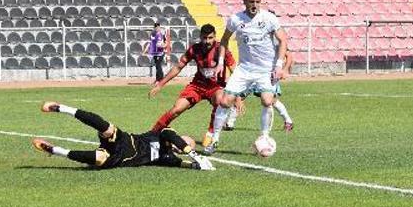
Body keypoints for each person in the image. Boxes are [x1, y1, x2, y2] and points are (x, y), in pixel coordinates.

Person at [205, 0, 288, 154]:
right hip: (244, 69)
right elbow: (224, 40)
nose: (255, 5)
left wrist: (279, 66)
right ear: (244, 1)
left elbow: (283, 40)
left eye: (258, 1)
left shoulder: (269, 19)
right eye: (251, 1)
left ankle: (264, 137)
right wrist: (220, 62)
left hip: (266, 69)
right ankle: (214, 140)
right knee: (225, 101)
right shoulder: (236, 19)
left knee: (267, 100)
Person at [31, 101, 214, 170]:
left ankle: (53, 150)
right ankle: (61, 108)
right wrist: (194, 153)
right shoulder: (165, 134)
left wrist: (197, 166)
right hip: (128, 141)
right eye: (182, 143)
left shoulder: (168, 157)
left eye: (180, 148)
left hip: (122, 159)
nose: (177, 147)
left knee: (100, 159)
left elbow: (181, 164)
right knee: (108, 129)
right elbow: (173, 136)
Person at [148, 24, 237, 138]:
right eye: (204, 38)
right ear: (200, 37)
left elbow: (234, 70)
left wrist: (237, 96)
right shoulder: (194, 49)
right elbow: (178, 67)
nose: (207, 41)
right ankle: (153, 132)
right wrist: (160, 84)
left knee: (219, 99)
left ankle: (210, 134)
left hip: (215, 87)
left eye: (210, 38)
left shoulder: (222, 50)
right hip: (197, 86)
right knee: (176, 109)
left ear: (215, 37)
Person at [214, 47, 295, 134]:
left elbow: (289, 55)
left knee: (271, 100)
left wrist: (285, 70)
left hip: (267, 73)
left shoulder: (273, 38)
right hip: (249, 72)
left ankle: (287, 121)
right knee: (237, 96)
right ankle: (230, 124)